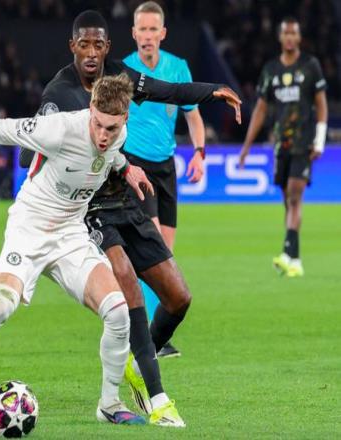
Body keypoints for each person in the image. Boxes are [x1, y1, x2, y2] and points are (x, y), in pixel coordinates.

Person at [19, 10, 241, 426]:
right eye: (83, 44)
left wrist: (213, 92)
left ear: (107, 47)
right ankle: (157, 399)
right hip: (89, 209)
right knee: (127, 286)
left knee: (179, 297)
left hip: (125, 200)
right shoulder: (58, 93)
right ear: (73, 46)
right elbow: (26, 153)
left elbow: (168, 91)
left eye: (97, 45)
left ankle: (139, 362)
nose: (91, 53)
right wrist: (46, 146)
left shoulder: (120, 77)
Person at [0, 74, 154, 427]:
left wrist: (127, 168)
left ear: (124, 120)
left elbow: (112, 154)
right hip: (29, 227)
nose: (104, 136)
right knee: (1, 306)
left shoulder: (117, 135)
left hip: (70, 234)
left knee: (118, 311)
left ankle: (109, 404)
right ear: (91, 109)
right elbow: (0, 129)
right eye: (98, 125)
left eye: (112, 128)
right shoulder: (58, 129)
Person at [122, 1, 207, 358]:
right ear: (134, 33)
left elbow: (193, 115)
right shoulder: (124, 70)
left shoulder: (178, 68)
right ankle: (144, 335)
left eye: (152, 29)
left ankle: (154, 335)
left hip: (166, 166)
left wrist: (199, 153)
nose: (147, 35)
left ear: (163, 33)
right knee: (153, 247)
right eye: (141, 29)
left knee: (164, 255)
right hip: (135, 165)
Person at [239, 17, 328, 277]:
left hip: (304, 142)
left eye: (293, 33)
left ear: (299, 38)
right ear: (280, 37)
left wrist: (319, 140)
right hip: (281, 145)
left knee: (295, 195)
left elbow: (321, 105)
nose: (289, 37)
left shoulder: (310, 66)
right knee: (287, 200)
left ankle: (287, 252)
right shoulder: (271, 70)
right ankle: (295, 259)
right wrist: (246, 147)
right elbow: (261, 109)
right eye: (286, 33)